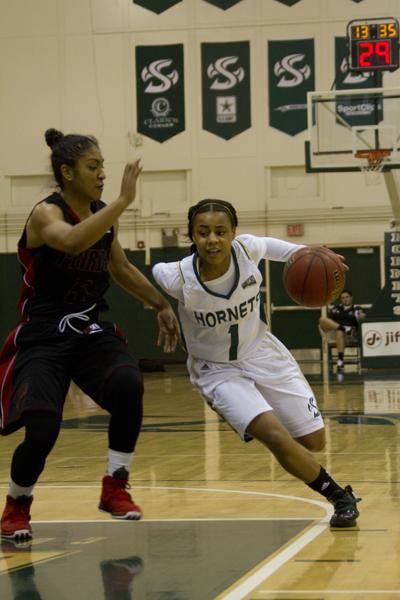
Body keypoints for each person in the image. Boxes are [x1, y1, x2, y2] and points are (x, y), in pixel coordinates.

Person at [0, 128, 180, 541]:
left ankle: (115, 485)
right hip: (43, 334)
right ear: (67, 172)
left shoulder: (102, 213)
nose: (102, 174)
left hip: (87, 328)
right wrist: (122, 203)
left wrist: (161, 304)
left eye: (104, 167)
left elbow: (120, 269)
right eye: (93, 167)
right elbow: (71, 242)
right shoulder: (47, 214)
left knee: (127, 383)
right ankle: (16, 505)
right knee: (42, 428)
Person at [152, 199, 361, 528]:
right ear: (191, 235)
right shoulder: (177, 276)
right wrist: (160, 308)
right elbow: (150, 274)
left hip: (262, 354)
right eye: (203, 232)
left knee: (314, 442)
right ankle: (339, 496)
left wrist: (326, 259)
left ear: (234, 233)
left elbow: (295, 253)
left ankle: (261, 412)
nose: (212, 239)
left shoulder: (248, 249)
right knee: (276, 437)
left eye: (221, 232)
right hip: (216, 370)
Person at [319, 289, 366, 370]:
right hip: (335, 331)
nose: (345, 299)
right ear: (341, 300)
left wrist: (359, 315)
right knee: (322, 319)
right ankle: (344, 328)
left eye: (347, 297)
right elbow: (329, 320)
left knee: (339, 332)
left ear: (351, 298)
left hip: (351, 334)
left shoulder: (356, 308)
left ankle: (340, 360)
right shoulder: (337, 308)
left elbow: (363, 316)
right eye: (343, 298)